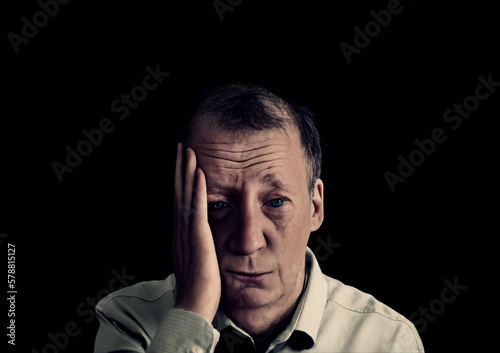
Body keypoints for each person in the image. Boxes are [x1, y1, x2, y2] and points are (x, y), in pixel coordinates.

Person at [94, 83, 424, 353]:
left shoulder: (387, 341)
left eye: (276, 202)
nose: (248, 241)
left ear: (315, 207)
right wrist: (192, 312)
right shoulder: (127, 320)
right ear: (184, 212)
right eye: (219, 205)